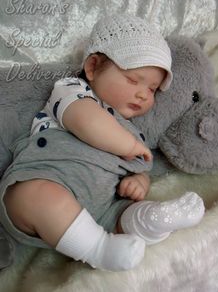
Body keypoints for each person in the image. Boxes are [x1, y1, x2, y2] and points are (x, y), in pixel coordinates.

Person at [0, 15, 205, 271]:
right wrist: (129, 147)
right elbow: (86, 121)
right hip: (45, 181)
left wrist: (139, 182)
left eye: (152, 89)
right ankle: (98, 249)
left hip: (101, 210)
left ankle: (152, 221)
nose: (143, 94)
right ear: (93, 67)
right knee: (37, 197)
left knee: (127, 213)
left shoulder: (133, 131)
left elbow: (141, 169)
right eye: (133, 80)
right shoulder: (72, 91)